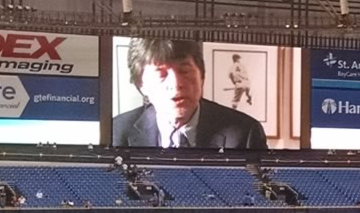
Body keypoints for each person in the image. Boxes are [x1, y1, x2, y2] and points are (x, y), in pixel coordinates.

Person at [112, 37, 267, 149]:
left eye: (184, 71)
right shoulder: (117, 132)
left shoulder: (244, 133)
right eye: (161, 74)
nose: (176, 84)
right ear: (141, 84)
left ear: (202, 76)